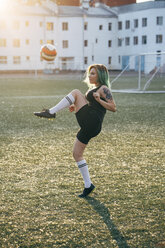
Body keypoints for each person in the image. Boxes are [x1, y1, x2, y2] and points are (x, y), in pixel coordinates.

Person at [34, 64, 116, 198]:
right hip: (89, 125)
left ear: (100, 75)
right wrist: (75, 105)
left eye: (93, 73)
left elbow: (113, 107)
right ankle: (88, 185)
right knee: (77, 154)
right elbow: (90, 105)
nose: (89, 76)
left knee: (76, 92)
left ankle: (51, 112)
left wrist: (98, 100)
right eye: (89, 73)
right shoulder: (95, 89)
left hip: (93, 121)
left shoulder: (103, 88)